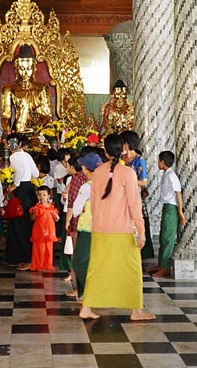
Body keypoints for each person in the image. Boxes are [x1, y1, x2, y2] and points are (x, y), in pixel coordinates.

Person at [79, 134, 155, 321]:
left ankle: (86, 308)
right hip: (121, 229)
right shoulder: (127, 173)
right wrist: (141, 230)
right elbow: (134, 205)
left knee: (96, 268)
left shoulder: (97, 173)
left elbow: (94, 204)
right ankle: (136, 311)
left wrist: (99, 221)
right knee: (133, 268)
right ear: (123, 150)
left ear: (105, 151)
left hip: (100, 228)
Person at [148, 151, 185, 278]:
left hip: (172, 208)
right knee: (163, 237)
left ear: (162, 162)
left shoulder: (171, 176)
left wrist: (180, 212)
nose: (158, 163)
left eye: (159, 160)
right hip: (166, 207)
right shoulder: (166, 174)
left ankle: (165, 268)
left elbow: (178, 194)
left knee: (168, 238)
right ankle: (161, 264)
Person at [5, 136, 39, 270]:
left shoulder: (13, 157)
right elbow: (35, 173)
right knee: (24, 223)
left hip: (21, 191)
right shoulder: (27, 155)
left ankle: (26, 258)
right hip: (29, 190)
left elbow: (20, 172)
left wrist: (15, 184)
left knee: (19, 224)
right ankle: (17, 257)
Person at [70, 153, 100, 300]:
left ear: (84, 168)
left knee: (79, 262)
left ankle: (90, 292)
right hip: (103, 228)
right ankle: (85, 295)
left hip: (87, 228)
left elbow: (75, 210)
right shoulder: (107, 183)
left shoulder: (86, 187)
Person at [121, 131, 153, 261]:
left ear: (128, 143)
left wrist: (127, 181)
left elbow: (144, 181)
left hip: (134, 196)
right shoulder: (121, 160)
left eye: (123, 142)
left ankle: (135, 258)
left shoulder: (139, 160)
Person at [29, 186, 60, 271]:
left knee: (49, 248)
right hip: (39, 230)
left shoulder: (52, 207)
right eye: (39, 195)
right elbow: (32, 218)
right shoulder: (36, 207)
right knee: (39, 248)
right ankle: (39, 264)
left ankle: (48, 264)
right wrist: (34, 214)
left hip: (49, 231)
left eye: (44, 195)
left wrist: (56, 216)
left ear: (49, 196)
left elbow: (56, 219)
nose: (41, 197)